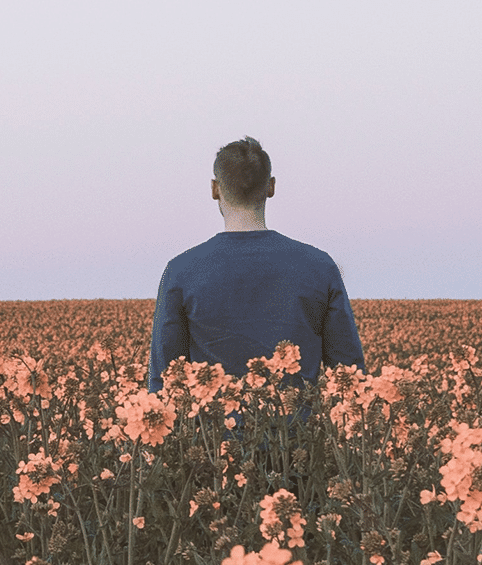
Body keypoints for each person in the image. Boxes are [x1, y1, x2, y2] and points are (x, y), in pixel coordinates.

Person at [147, 137, 365, 431]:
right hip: (299, 454)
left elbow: (164, 379)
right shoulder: (319, 266)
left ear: (214, 189)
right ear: (271, 186)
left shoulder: (181, 271)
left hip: (212, 457)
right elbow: (349, 373)